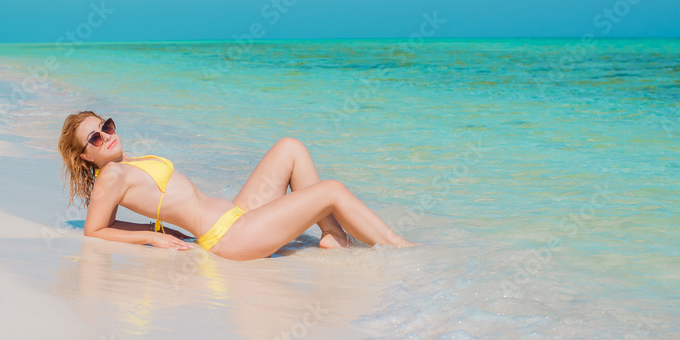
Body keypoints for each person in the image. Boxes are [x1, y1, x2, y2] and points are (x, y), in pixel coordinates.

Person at [57, 110, 417, 261]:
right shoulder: (111, 177)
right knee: (332, 190)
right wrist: (151, 236)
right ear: (85, 157)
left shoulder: (125, 165)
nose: (106, 137)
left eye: (106, 126)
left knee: (289, 147)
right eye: (95, 138)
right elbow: (95, 229)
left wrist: (156, 228)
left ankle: (332, 235)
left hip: (237, 215)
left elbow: (109, 222)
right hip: (230, 238)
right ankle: (404, 249)